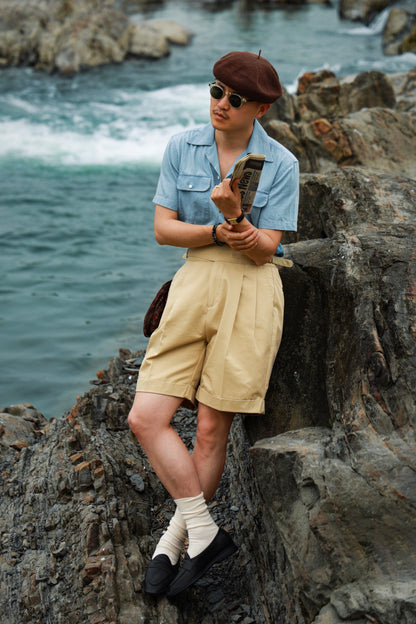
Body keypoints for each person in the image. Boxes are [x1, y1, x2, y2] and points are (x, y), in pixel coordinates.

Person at [128, 50, 299, 599]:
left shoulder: (283, 165)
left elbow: (266, 250)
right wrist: (215, 232)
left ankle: (175, 543)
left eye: (235, 98)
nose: (220, 104)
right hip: (195, 280)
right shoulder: (183, 146)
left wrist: (235, 218)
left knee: (208, 429)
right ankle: (204, 530)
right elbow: (163, 229)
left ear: (262, 107)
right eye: (215, 90)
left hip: (250, 292)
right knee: (146, 417)